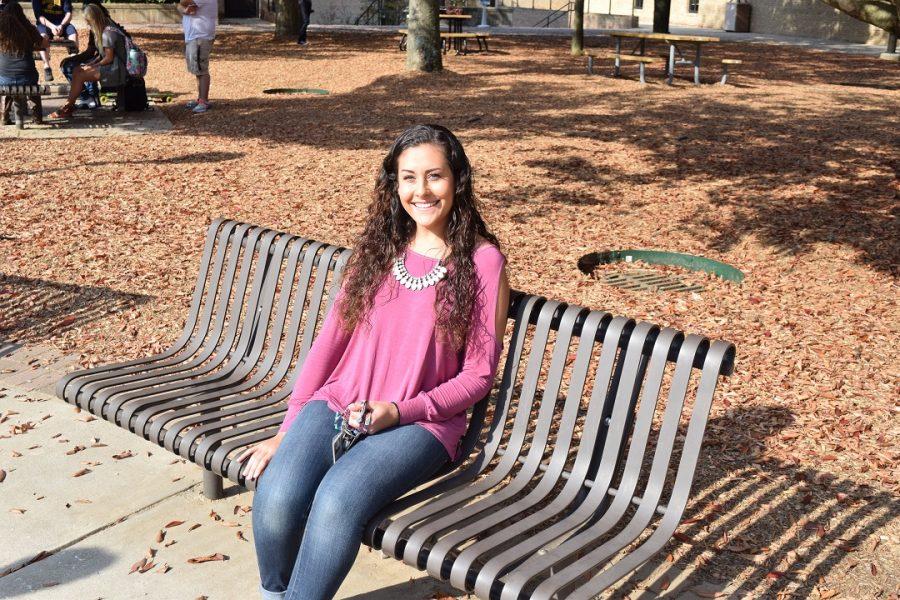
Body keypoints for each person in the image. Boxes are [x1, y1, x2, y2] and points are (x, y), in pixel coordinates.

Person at [238, 124, 510, 600]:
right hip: (341, 402)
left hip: (421, 423)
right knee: (278, 493)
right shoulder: (378, 251)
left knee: (337, 499)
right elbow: (328, 347)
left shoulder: (482, 262)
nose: (421, 191)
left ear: (457, 180)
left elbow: (479, 375)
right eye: (408, 178)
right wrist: (288, 428)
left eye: (435, 176)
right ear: (394, 184)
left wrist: (400, 411)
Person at [47, 3, 125, 119]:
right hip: (111, 65)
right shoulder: (100, 30)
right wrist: (91, 64)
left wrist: (94, 65)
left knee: (80, 75)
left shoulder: (107, 33)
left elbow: (108, 58)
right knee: (77, 70)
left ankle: (68, 106)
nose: (87, 23)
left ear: (93, 18)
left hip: (116, 68)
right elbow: (101, 54)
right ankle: (69, 105)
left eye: (88, 20)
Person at [0, 1, 47, 124]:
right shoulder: (28, 29)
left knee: (8, 81)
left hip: (5, 78)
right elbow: (43, 44)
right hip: (27, 77)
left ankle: (5, 116)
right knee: (32, 84)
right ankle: (37, 117)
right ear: (21, 13)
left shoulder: (2, 31)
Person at [176, 0, 215, 114]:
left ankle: (204, 101)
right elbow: (179, 6)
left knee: (202, 70)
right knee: (197, 69)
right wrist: (184, 9)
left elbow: (182, 1)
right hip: (193, 36)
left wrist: (183, 6)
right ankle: (201, 99)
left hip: (201, 36)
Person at [32, 0, 77, 82]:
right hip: (45, 24)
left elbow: (69, 13)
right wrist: (52, 26)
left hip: (62, 23)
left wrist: (62, 25)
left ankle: (74, 63)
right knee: (42, 37)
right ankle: (47, 66)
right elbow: (39, 16)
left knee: (73, 34)